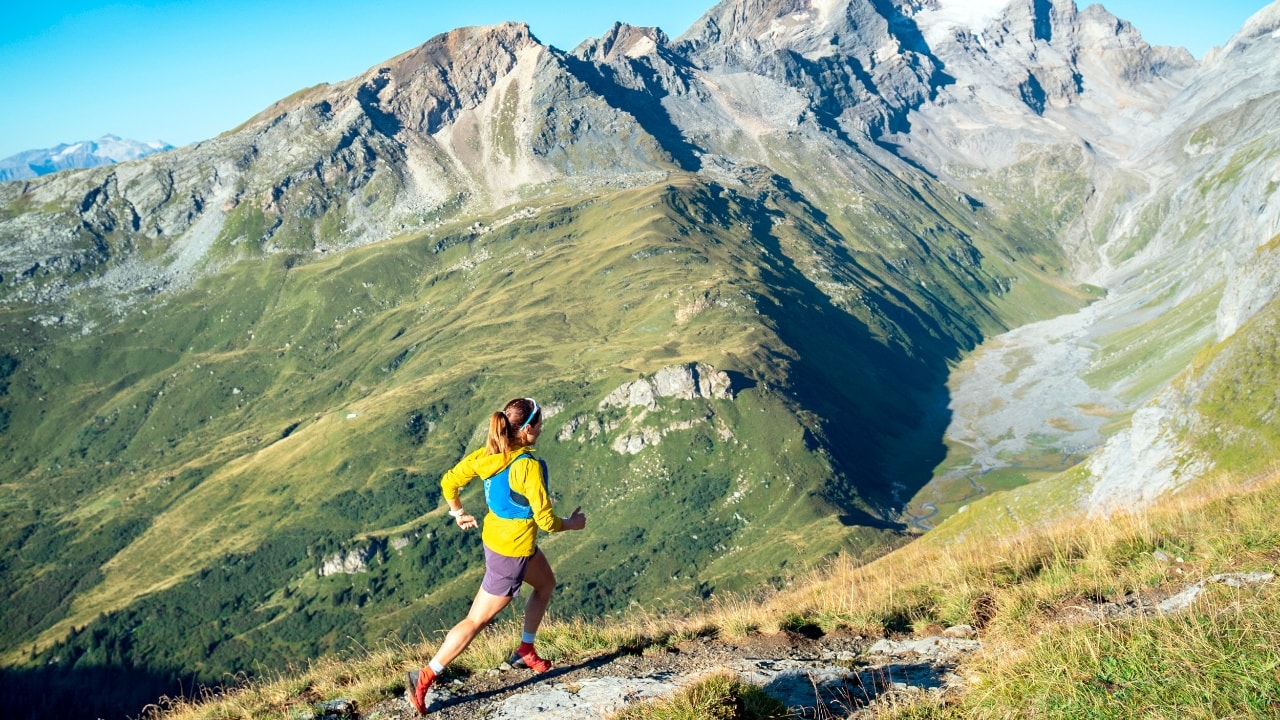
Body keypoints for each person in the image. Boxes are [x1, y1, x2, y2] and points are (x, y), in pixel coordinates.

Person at [407, 397, 588, 715]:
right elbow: (545, 520)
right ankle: (425, 677)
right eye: (540, 426)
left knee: (545, 584)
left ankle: (526, 650)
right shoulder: (527, 467)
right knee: (475, 621)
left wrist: (458, 512)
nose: (542, 431)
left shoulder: (488, 455)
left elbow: (449, 482)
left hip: (503, 541)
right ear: (528, 428)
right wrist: (573, 524)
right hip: (512, 554)